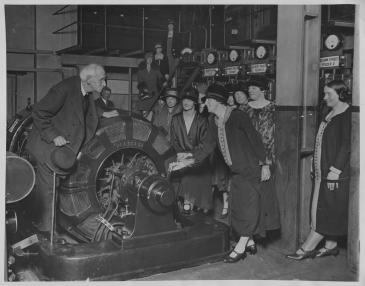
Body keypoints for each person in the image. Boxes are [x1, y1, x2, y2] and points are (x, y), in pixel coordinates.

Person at [170, 84, 268, 263]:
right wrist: (184, 162)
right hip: (236, 171)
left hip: (250, 169)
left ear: (214, 101)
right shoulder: (213, 122)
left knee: (248, 207)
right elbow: (206, 148)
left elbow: (255, 140)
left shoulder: (238, 117)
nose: (204, 104)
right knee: (237, 207)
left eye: (206, 100)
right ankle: (250, 241)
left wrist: (265, 164)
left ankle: (241, 248)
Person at [26, 63, 105, 237]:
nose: (104, 84)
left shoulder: (87, 93)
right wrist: (54, 135)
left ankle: (51, 227)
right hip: (47, 148)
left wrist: (104, 115)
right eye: (101, 79)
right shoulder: (64, 89)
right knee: (48, 191)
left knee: (55, 190)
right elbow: (39, 112)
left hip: (64, 152)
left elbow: (87, 117)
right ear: (89, 80)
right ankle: (46, 234)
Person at [286, 80, 351, 260]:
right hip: (323, 171)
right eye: (324, 93)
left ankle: (308, 247)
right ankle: (331, 245)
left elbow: (347, 145)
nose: (325, 97)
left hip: (335, 174)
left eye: (328, 94)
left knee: (325, 210)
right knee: (321, 207)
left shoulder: (347, 114)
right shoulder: (330, 112)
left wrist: (335, 170)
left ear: (341, 94)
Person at [246, 75, 281, 239]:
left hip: (267, 158)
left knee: (265, 195)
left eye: (253, 88)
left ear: (263, 90)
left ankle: (262, 230)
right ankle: (249, 232)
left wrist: (266, 163)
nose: (250, 90)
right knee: (249, 195)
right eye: (249, 88)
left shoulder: (273, 108)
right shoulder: (245, 108)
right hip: (248, 158)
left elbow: (272, 138)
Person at [170, 87, 212, 214]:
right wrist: (180, 155)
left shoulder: (202, 120)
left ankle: (194, 207)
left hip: (197, 160)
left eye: (190, 100)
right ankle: (185, 206)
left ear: (195, 102)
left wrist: (190, 155)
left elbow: (205, 144)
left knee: (195, 178)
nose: (186, 102)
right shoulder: (176, 119)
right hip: (179, 158)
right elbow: (174, 141)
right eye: (184, 100)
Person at [136, 52, 165, 121]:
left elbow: (161, 78)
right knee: (144, 114)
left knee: (153, 112)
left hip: (154, 94)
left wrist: (164, 82)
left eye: (151, 58)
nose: (150, 59)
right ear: (145, 59)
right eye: (148, 58)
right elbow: (140, 82)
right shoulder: (140, 71)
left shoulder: (156, 70)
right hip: (144, 95)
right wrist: (144, 89)